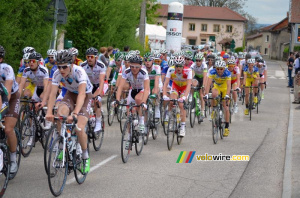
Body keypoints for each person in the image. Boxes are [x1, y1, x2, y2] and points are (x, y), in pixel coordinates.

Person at [46, 50, 93, 173]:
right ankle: (62, 145)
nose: (61, 70)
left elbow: (82, 94)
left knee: (79, 127)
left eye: (64, 67)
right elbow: (52, 94)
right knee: (60, 114)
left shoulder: (79, 72)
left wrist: (75, 113)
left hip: (85, 96)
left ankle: (85, 156)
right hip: (70, 94)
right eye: (59, 66)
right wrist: (49, 112)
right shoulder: (57, 73)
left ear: (71, 65)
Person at [116, 54, 150, 135]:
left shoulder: (144, 72)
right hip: (133, 90)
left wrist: (144, 102)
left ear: (140, 67)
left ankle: (141, 121)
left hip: (142, 90)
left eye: (137, 67)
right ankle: (129, 136)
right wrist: (117, 100)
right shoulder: (127, 71)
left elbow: (147, 89)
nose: (134, 69)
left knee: (138, 99)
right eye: (132, 66)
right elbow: (120, 87)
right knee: (129, 113)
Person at [0, 45, 20, 174]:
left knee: (8, 129)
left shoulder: (7, 69)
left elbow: (6, 94)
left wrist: (2, 112)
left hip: (11, 97)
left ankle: (13, 158)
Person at [163, 56, 192, 137]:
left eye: (180, 66)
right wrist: (164, 95)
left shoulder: (188, 71)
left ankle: (182, 126)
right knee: (172, 101)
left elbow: (189, 84)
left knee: (181, 105)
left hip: (184, 88)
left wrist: (184, 97)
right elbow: (165, 83)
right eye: (177, 66)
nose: (178, 68)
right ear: (174, 66)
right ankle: (172, 119)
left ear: (183, 66)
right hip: (175, 87)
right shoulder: (171, 70)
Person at [81, 47, 106, 134]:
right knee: (84, 100)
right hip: (90, 85)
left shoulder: (101, 65)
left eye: (92, 57)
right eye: (88, 57)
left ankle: (98, 122)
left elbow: (102, 81)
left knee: (96, 99)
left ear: (96, 57)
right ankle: (88, 118)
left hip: (100, 84)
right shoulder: (83, 66)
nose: (90, 59)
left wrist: (99, 94)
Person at [204, 60, 231, 137]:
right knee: (214, 94)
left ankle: (226, 127)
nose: (219, 70)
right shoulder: (212, 72)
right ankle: (213, 110)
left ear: (224, 68)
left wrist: (227, 95)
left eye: (221, 69)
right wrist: (206, 94)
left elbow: (229, 85)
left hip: (225, 88)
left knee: (226, 107)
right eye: (218, 69)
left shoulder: (227, 72)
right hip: (217, 87)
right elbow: (208, 84)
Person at [190, 53, 207, 121]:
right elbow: (191, 74)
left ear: (202, 61)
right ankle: (192, 97)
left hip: (203, 78)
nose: (198, 62)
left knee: (201, 95)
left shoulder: (204, 65)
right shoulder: (193, 65)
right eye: (197, 60)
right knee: (193, 84)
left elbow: (205, 77)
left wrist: (203, 85)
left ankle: (202, 111)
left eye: (199, 61)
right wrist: (191, 81)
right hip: (196, 77)